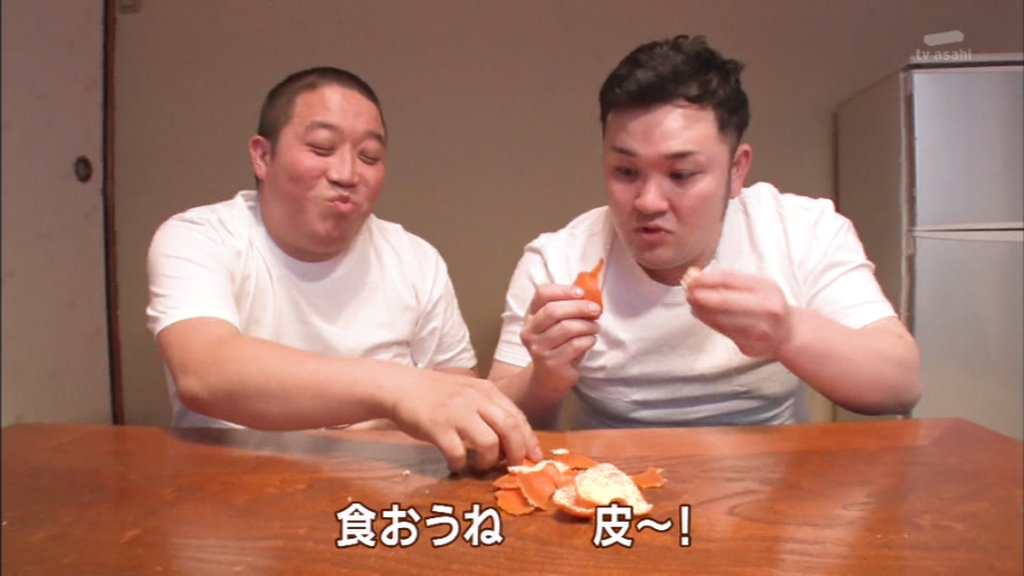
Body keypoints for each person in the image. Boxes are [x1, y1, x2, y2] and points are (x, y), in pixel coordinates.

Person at [488, 36, 921, 429]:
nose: (648, 202)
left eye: (681, 174)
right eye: (625, 171)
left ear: (736, 170)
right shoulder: (558, 260)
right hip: (613, 480)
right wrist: (545, 378)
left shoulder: (802, 230)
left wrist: (788, 332)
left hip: (776, 476)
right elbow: (498, 423)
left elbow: (900, 385)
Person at [147, 66, 541, 471]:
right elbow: (204, 372)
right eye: (321, 148)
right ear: (263, 156)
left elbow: (458, 387)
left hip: (378, 489)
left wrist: (391, 415)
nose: (347, 174)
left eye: (369, 156)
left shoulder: (415, 259)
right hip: (231, 482)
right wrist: (394, 391)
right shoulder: (200, 236)